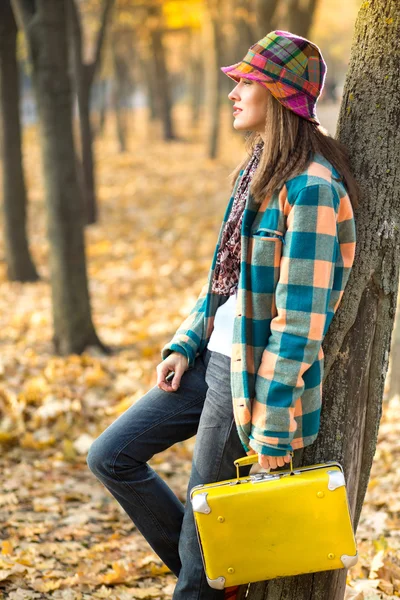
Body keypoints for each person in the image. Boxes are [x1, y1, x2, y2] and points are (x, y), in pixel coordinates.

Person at [87, 30, 359, 600]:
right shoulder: (257, 173)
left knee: (198, 560)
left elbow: (298, 328)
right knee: (111, 456)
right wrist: (185, 343)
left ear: (280, 97)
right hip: (210, 362)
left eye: (247, 82)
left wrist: (272, 434)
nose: (234, 91)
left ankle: (205, 578)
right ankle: (215, 577)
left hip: (249, 383)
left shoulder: (311, 189)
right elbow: (226, 283)